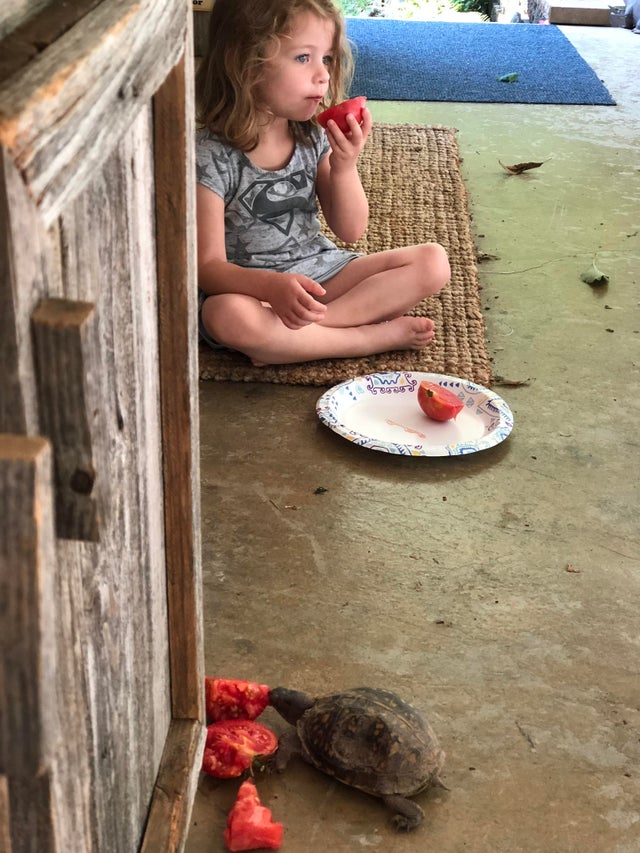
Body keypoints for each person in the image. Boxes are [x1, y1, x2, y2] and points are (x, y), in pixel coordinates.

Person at [195, 0, 450, 366]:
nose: (323, 76)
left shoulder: (311, 137)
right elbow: (208, 267)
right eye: (303, 58)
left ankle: (298, 335)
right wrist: (270, 287)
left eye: (327, 59)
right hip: (252, 293)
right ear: (246, 64)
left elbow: (351, 229)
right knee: (226, 316)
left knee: (433, 261)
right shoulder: (210, 155)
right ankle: (364, 338)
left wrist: (345, 167)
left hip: (322, 272)